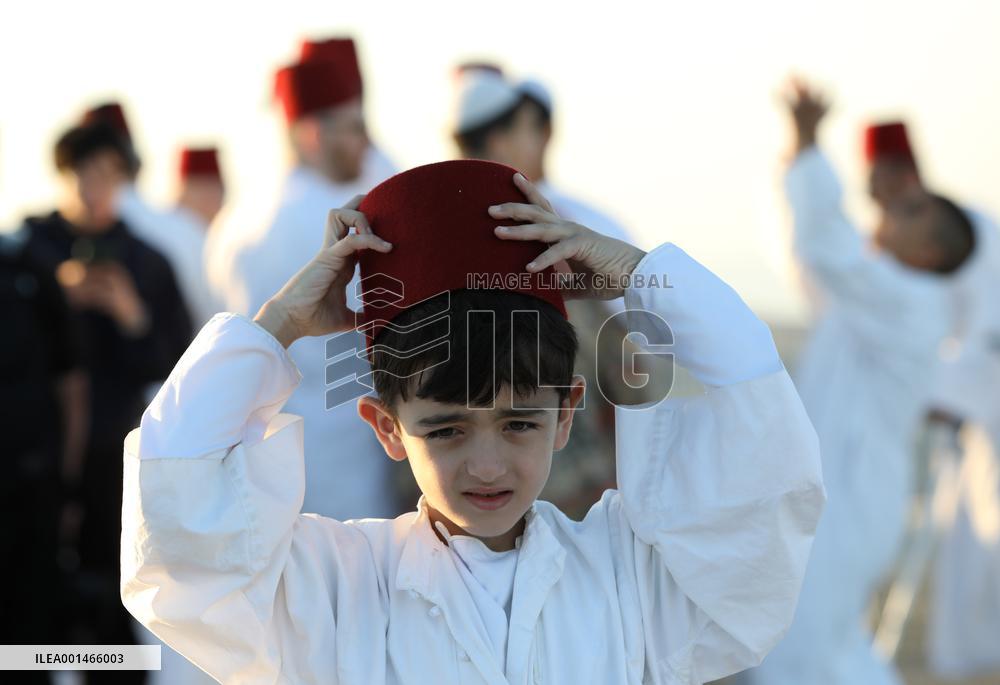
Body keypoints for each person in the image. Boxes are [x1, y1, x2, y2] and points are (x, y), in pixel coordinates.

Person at [121, 159, 825, 683]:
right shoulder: (333, 587)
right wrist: (276, 324)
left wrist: (641, 277)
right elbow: (175, 535)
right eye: (448, 428)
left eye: (519, 422)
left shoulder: (631, 577)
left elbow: (761, 452)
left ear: (567, 411)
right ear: (385, 425)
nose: (487, 465)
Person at [739, 80, 975, 685]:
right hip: (842, 492)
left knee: (805, 647)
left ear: (931, 253)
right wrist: (800, 154)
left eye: (914, 212)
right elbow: (808, 251)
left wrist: (810, 143)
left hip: (853, 496)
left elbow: (827, 245)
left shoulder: (909, 301)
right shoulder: (875, 296)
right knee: (813, 643)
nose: (894, 210)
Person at [23, 119, 190, 680]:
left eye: (109, 176)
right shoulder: (29, 256)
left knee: (114, 613)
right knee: (29, 620)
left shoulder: (147, 261)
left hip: (115, 468)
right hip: (35, 466)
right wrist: (52, 300)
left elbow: (179, 370)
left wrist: (131, 315)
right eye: (85, 175)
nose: (96, 189)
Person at [205, 37, 399, 520]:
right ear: (313, 133)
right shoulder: (341, 215)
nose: (365, 142)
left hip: (260, 445)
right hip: (348, 439)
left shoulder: (233, 220)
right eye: (355, 128)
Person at [450, 64, 656, 516]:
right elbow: (637, 373)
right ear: (502, 139)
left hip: (472, 502)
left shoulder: (432, 238)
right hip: (574, 495)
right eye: (531, 128)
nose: (542, 140)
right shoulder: (578, 227)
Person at [0, 227, 86, 682]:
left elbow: (71, 383)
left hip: (32, 489)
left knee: (32, 645)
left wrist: (67, 487)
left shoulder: (27, 268)